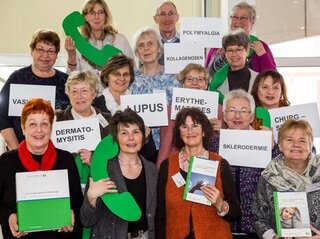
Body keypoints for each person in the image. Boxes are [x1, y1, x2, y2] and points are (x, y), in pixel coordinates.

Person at [0, 98, 83, 239]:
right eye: (32, 124)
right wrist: (9, 216)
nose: (39, 130)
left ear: (51, 127)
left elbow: (77, 201)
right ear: (23, 128)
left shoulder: (66, 160)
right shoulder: (6, 162)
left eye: (44, 124)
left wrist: (72, 213)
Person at [156, 107, 240, 239]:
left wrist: (219, 203)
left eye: (195, 125)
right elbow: (160, 214)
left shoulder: (221, 163)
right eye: (184, 126)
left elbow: (236, 213)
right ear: (178, 132)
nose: (190, 131)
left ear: (204, 132)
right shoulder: (167, 165)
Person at [80, 108, 158, 239]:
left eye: (136, 132)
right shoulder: (103, 170)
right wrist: (91, 197)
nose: (131, 138)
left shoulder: (152, 170)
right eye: (124, 133)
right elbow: (86, 221)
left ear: (143, 135)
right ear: (116, 137)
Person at [211, 89, 274, 238]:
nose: (237, 116)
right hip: (221, 225)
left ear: (252, 117)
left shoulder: (265, 142)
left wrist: (273, 147)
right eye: (232, 110)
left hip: (257, 228)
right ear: (224, 116)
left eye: (244, 111)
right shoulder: (213, 145)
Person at [0, 29, 69, 150]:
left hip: (57, 154)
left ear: (57, 54)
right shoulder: (17, 78)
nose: (45, 55)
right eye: (40, 49)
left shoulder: (66, 82)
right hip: (20, 152)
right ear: (32, 51)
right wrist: (16, 149)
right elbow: (1, 115)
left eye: (51, 51)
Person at [252, 119, 320, 239]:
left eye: (302, 141)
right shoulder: (268, 177)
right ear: (280, 146)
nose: (296, 145)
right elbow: (259, 218)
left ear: (310, 146)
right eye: (290, 140)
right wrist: (273, 237)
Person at [93, 54, 157, 163]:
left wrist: (145, 139)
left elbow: (150, 154)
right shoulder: (95, 105)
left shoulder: (141, 105)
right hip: (104, 167)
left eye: (126, 74)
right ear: (106, 76)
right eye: (117, 74)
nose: (122, 78)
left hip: (135, 166)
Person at [157, 63, 222, 167]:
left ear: (206, 84)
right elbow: (165, 144)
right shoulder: (170, 111)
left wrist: (222, 129)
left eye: (200, 79)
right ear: (183, 83)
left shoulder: (218, 109)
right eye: (189, 79)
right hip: (175, 163)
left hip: (208, 165)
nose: (194, 83)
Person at [55, 70, 112, 188]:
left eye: (84, 91)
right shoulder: (57, 120)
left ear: (94, 94)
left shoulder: (108, 121)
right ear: (68, 95)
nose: (79, 96)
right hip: (65, 184)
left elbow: (113, 158)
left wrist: (94, 161)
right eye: (74, 91)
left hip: (100, 183)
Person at [65, 0, 135, 93]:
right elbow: (72, 79)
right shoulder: (78, 44)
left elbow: (132, 72)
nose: (96, 17)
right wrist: (71, 55)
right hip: (89, 99)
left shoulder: (120, 40)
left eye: (100, 12)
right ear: (85, 17)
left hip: (118, 97)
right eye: (92, 13)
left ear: (106, 16)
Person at [130, 27, 182, 151]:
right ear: (137, 52)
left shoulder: (173, 76)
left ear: (159, 48)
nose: (146, 48)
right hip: (140, 145)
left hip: (169, 142)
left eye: (150, 44)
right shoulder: (131, 79)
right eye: (141, 45)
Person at [205, 1, 276, 76]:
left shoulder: (260, 46)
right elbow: (205, 75)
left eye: (243, 18)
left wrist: (263, 55)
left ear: (252, 22)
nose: (238, 21)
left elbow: (273, 77)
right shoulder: (216, 45)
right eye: (235, 17)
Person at [209, 30, 258, 99]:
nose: (234, 54)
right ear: (225, 53)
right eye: (230, 50)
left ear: (247, 51)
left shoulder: (258, 78)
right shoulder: (216, 82)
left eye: (239, 50)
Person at [153, 1, 180, 65]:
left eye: (171, 13)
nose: (167, 19)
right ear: (155, 19)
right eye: (162, 14)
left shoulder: (187, 42)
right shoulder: (149, 45)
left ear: (177, 17)